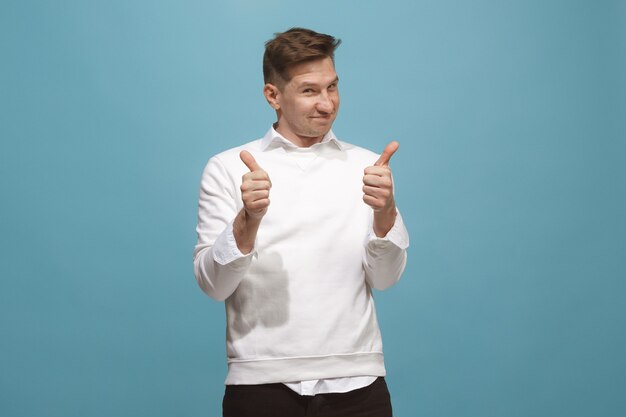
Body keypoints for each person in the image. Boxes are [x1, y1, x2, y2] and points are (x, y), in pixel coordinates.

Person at [193, 27, 409, 417]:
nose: (327, 104)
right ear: (272, 96)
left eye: (333, 87)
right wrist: (249, 219)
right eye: (310, 91)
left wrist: (385, 214)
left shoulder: (368, 166)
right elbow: (213, 285)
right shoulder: (228, 168)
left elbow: (386, 279)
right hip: (260, 387)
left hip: (359, 384)